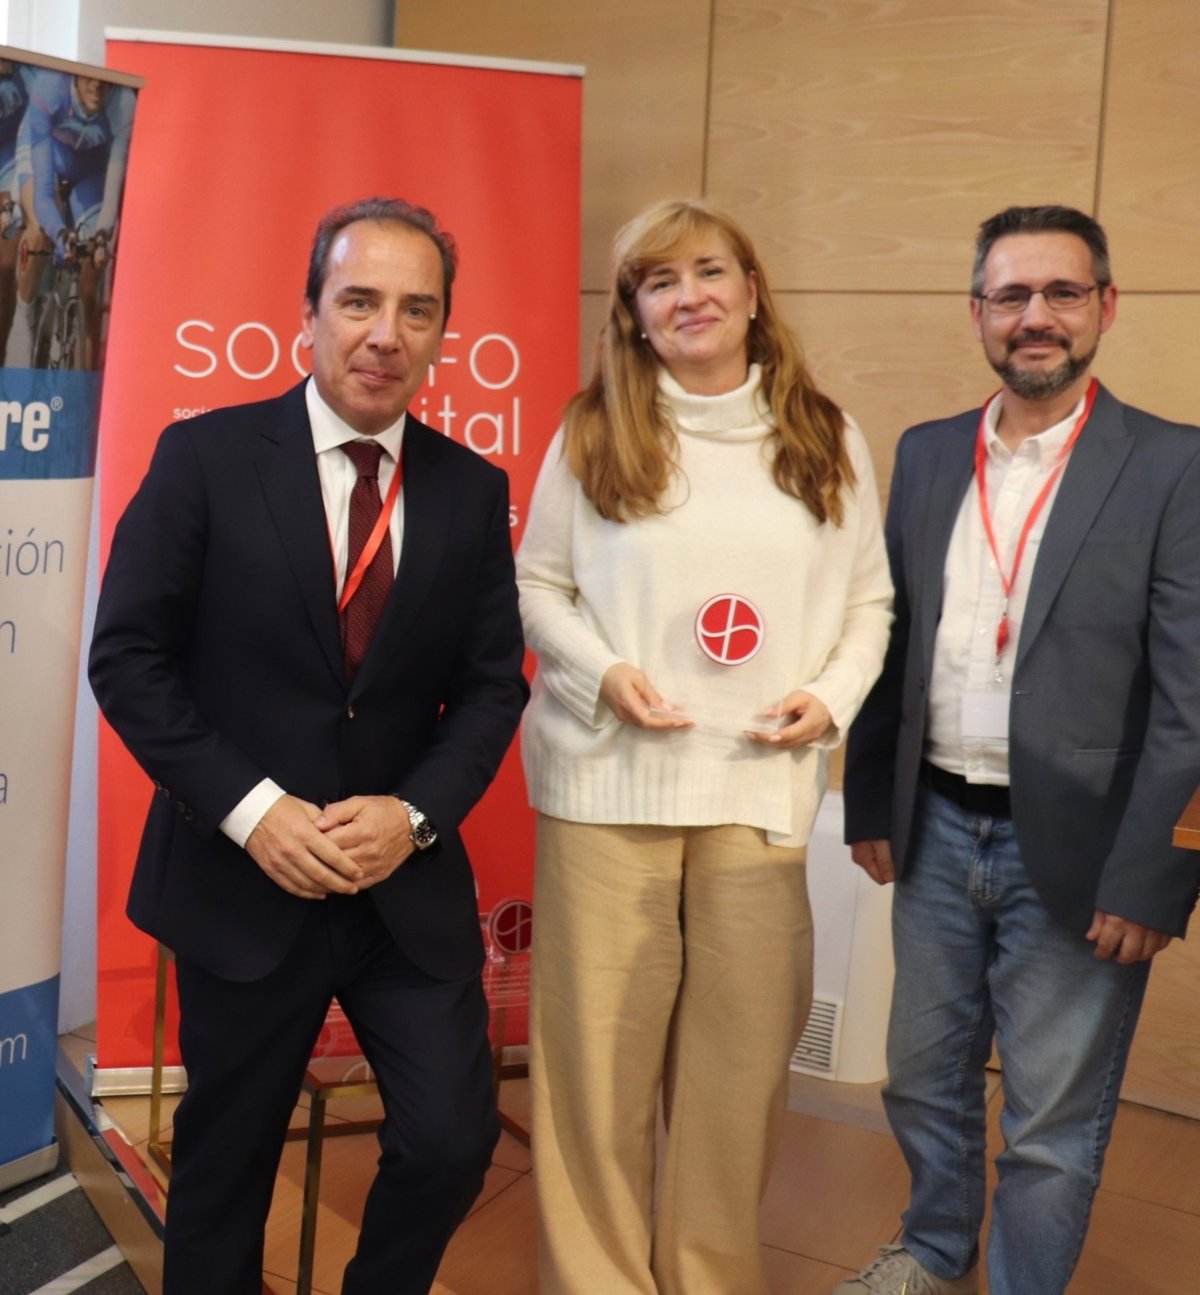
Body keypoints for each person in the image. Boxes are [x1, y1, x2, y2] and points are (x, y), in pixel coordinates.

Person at [89, 197, 528, 1295]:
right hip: (247, 882)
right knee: (227, 1165)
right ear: (310, 313)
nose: (386, 333)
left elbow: (490, 688)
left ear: (441, 332)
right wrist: (255, 813)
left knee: (451, 1138)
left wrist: (411, 816)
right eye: (359, 301)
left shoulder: (470, 489)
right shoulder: (204, 457)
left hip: (399, 889)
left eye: (416, 310)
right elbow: (129, 658)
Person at [517, 198, 893, 1294]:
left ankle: (709, 1279)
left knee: (738, 1074)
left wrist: (828, 697)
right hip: (607, 788)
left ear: (751, 289)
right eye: (660, 280)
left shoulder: (825, 434)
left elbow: (869, 602)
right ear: (633, 312)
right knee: (595, 1069)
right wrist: (604, 672)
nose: (690, 296)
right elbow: (539, 584)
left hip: (756, 785)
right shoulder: (594, 429)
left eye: (711, 271)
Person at [839, 205, 1200, 1295]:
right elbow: (892, 634)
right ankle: (933, 1246)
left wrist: (1153, 874)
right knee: (920, 1077)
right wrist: (870, 803)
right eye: (1011, 295)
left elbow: (1192, 698)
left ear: (1106, 307)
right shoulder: (929, 451)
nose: (1036, 315)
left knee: (1050, 1121)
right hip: (936, 827)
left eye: (1062, 292)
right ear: (978, 313)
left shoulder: (1173, 465)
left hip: (1087, 852)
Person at [7, 71, 134, 369]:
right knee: (41, 229)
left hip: (90, 167)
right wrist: (60, 231)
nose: (98, 85)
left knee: (93, 259)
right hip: (46, 155)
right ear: (75, 79)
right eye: (88, 78)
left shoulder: (124, 104)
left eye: (105, 80)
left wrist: (101, 235)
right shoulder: (50, 89)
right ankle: (23, 317)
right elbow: (42, 194)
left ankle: (83, 367)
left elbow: (112, 190)